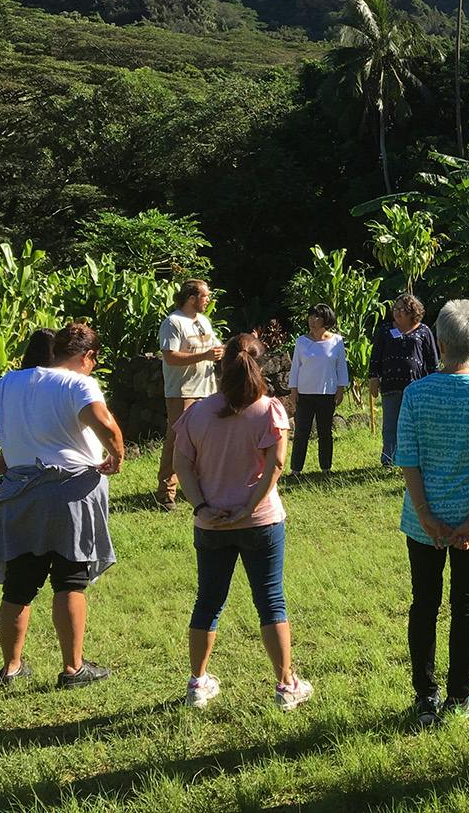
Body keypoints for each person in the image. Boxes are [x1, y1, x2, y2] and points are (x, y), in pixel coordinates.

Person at [0, 322, 125, 690]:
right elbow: (104, 423)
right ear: (87, 357)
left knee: (19, 584)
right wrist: (117, 453)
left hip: (20, 490)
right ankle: (73, 668)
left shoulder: (11, 382)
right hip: (72, 492)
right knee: (70, 580)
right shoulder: (79, 383)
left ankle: (11, 668)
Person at [173, 333, 312, 711]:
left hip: (211, 525)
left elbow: (181, 464)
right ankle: (286, 685)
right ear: (259, 364)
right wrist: (250, 507)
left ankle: (198, 683)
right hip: (261, 523)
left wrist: (201, 506)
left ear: (220, 368)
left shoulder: (197, 413)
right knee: (270, 602)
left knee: (208, 601)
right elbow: (276, 464)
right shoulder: (269, 410)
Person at [395, 300, 469, 726]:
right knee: (466, 605)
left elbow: (408, 457)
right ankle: (460, 695)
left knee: (423, 603)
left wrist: (424, 514)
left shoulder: (415, 393)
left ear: (439, 341)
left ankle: (426, 698)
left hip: (422, 520)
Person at [157, 279, 224, 511]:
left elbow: (214, 347)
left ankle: (198, 488)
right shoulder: (173, 323)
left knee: (205, 441)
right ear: (192, 298)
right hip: (181, 392)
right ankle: (166, 492)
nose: (208, 300)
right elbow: (170, 357)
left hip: (207, 390)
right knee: (177, 440)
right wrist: (204, 356)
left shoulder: (204, 321)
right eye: (205, 296)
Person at [369, 294, 440, 467]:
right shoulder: (385, 331)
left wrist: (434, 384)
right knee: (390, 425)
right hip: (391, 385)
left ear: (413, 312)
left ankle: (416, 460)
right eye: (396, 309)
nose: (398, 312)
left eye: (402, 309)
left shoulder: (424, 331)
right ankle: (389, 460)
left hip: (417, 386)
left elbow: (432, 360)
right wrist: (373, 378)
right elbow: (375, 356)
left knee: (416, 425)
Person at [286, 304, 349, 475]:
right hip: (305, 393)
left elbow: (341, 367)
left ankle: (326, 468)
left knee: (325, 432)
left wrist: (340, 388)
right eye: (311, 317)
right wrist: (293, 390)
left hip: (327, 393)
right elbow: (295, 368)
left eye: (317, 317)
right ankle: (296, 469)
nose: (312, 321)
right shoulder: (301, 341)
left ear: (325, 320)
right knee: (301, 432)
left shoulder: (336, 341)